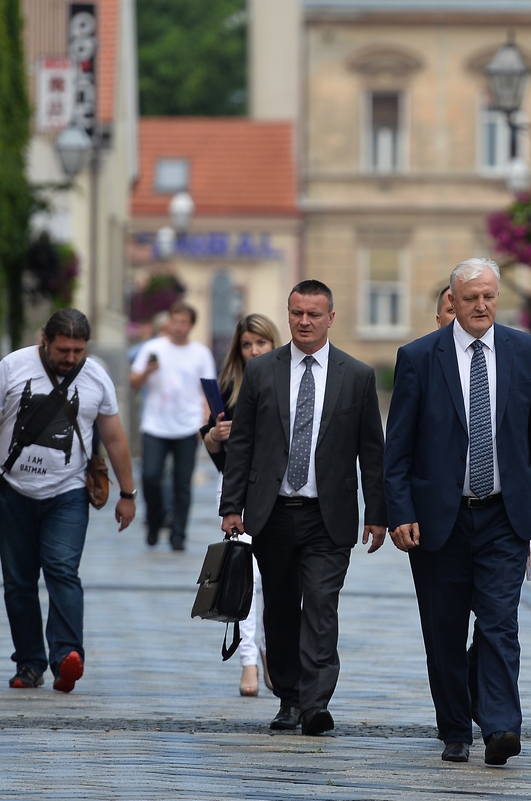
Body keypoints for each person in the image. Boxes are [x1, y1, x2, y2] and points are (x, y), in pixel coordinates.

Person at [384, 257, 531, 766]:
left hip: (505, 515)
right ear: (452, 302)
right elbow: (398, 449)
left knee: (500, 622)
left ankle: (502, 726)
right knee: (444, 628)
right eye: (470, 298)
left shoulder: (525, 350)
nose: (481, 306)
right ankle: (456, 728)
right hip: (441, 518)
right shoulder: (419, 357)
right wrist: (400, 512)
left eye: (488, 296)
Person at [220, 280, 387, 736]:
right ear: (288, 314)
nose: (305, 322)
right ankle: (289, 700)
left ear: (331, 317)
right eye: (297, 313)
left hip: (326, 515)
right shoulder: (261, 372)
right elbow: (243, 446)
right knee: (279, 607)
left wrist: (377, 512)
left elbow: (372, 450)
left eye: (314, 314)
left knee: (319, 604)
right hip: (271, 512)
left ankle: (315, 704)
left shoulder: (357, 376)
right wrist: (231, 505)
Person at [0, 308, 137, 693]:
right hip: (13, 491)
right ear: (45, 339)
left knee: (62, 570)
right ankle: (29, 663)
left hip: (68, 494)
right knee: (19, 583)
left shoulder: (96, 377)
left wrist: (127, 494)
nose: (71, 358)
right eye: (64, 349)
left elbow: (114, 437)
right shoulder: (13, 367)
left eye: (79, 350)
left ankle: (65, 658)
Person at [201, 313, 281, 697]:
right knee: (246, 579)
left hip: (278, 493)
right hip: (235, 492)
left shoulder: (286, 381)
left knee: (279, 582)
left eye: (260, 343)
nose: (253, 351)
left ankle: (270, 652)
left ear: (272, 343)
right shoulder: (229, 385)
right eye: (247, 344)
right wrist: (216, 435)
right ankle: (248, 659)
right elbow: (213, 448)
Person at [130, 302, 216, 550]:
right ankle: (155, 520)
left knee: (182, 482)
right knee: (151, 476)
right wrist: (147, 371)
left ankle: (179, 534)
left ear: (191, 325)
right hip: (155, 424)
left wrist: (204, 423)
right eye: (174, 321)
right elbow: (134, 381)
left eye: (183, 322)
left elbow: (208, 390)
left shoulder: (200, 353)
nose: (178, 326)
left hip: (187, 425)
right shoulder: (153, 348)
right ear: (169, 322)